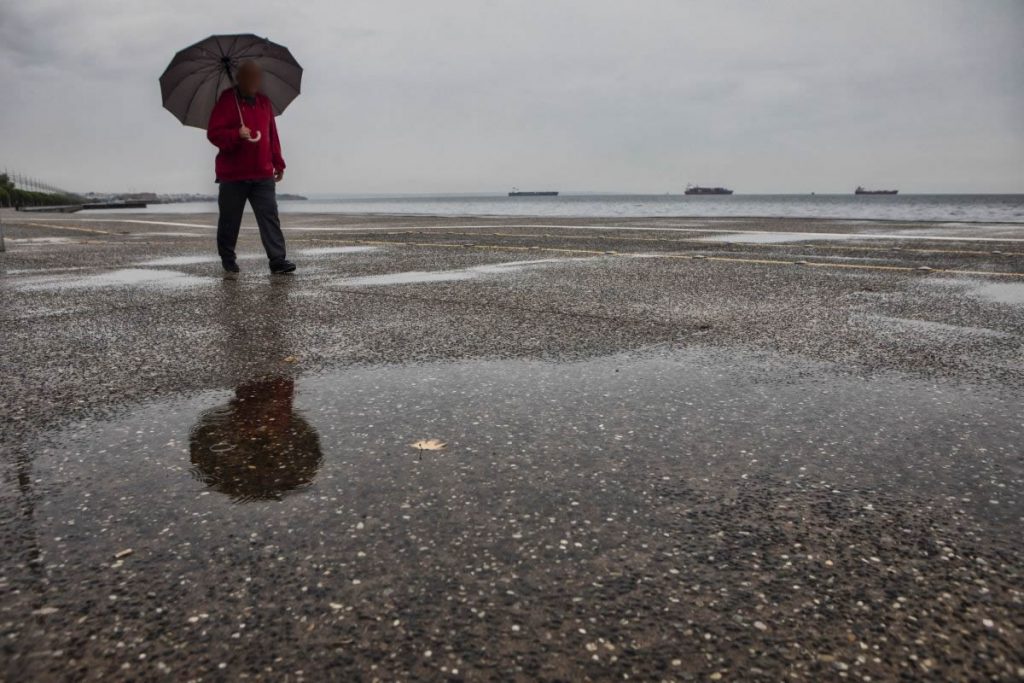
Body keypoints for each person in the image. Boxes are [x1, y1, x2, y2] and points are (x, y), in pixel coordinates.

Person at [206, 60, 295, 275]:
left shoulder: (265, 103)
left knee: (269, 217)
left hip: (262, 173)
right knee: (229, 220)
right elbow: (213, 133)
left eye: (257, 76)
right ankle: (228, 259)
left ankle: (277, 260)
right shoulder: (227, 100)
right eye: (249, 76)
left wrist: (278, 162)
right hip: (233, 175)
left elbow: (271, 134)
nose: (254, 80)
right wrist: (235, 134)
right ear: (239, 78)